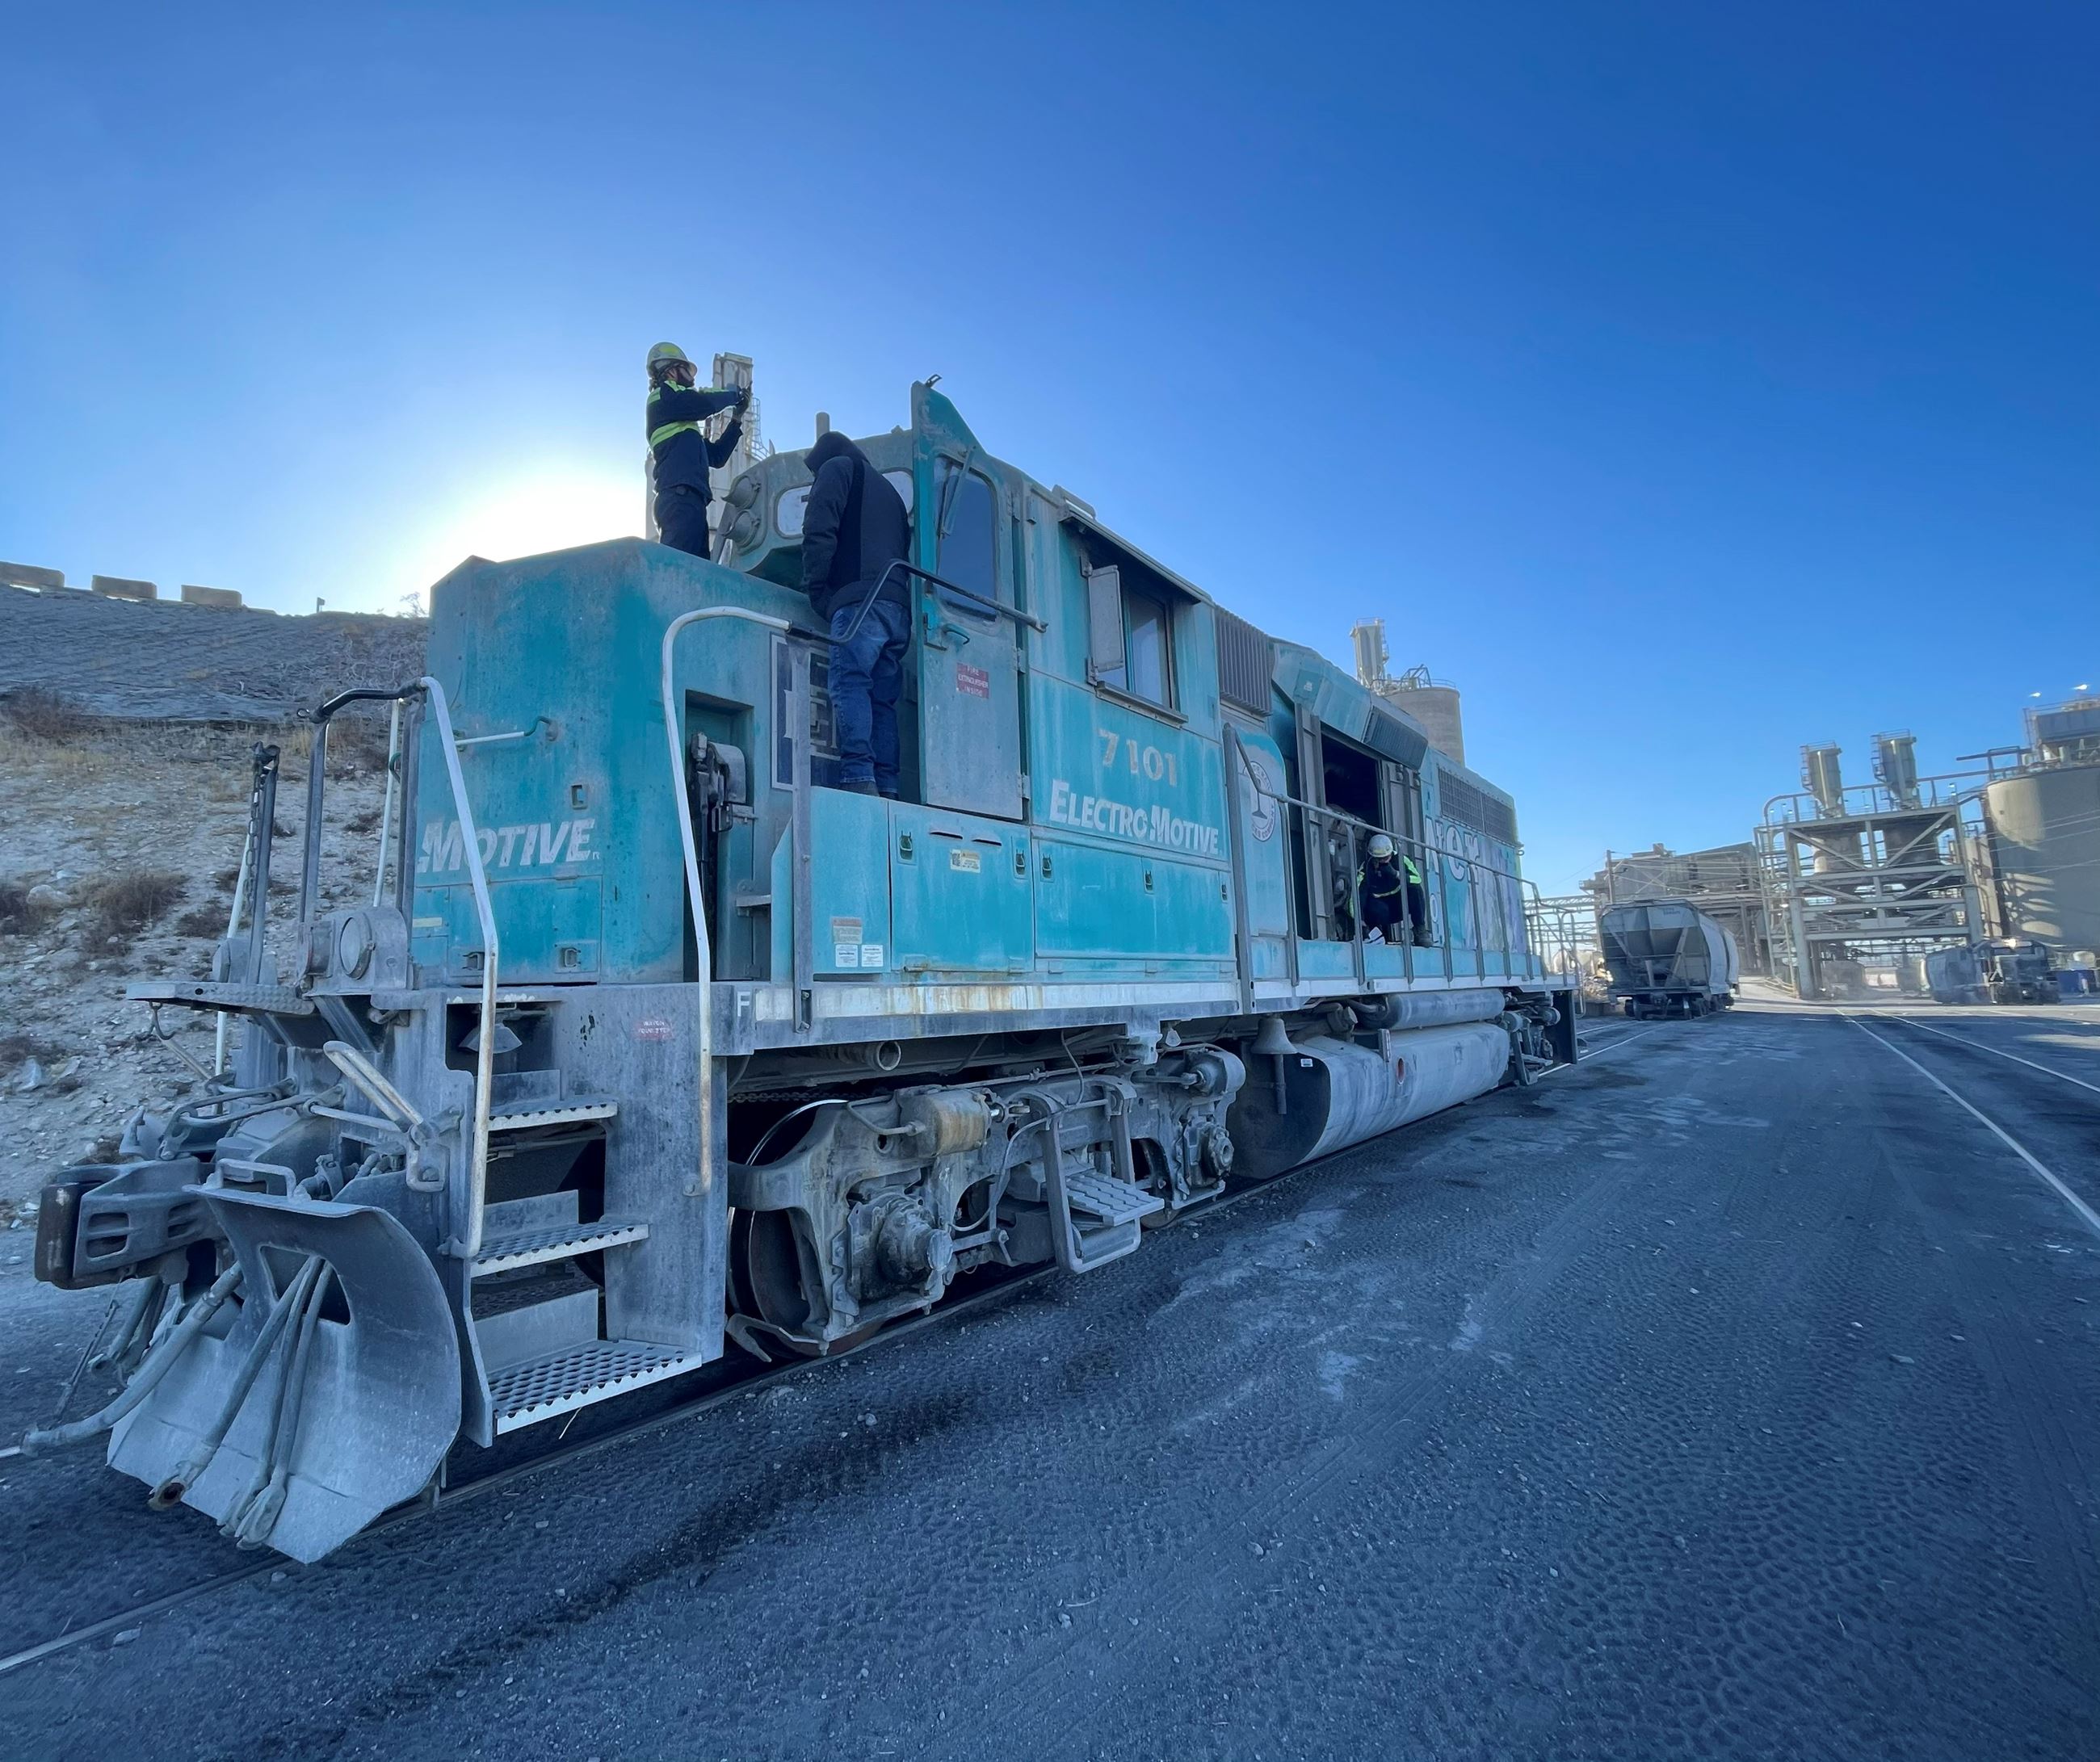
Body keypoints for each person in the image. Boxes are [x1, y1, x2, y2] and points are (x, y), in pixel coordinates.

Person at [800, 430, 911, 797]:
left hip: (860, 602)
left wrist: (818, 591)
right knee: (882, 698)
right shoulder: (892, 494)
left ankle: (858, 777)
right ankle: (888, 784)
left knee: (849, 682)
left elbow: (819, 529)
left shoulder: (836, 468)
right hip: (897, 607)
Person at [645, 342, 749, 557]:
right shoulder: (663, 396)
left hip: (692, 502)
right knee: (677, 566)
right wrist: (733, 395)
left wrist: (737, 420)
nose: (690, 378)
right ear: (670, 370)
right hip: (678, 497)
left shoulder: (684, 426)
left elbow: (717, 457)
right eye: (685, 370)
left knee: (697, 571)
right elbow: (701, 402)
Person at [1359, 833, 1433, 946]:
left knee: (1415, 890)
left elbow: (1417, 879)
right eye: (1379, 859)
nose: (1383, 862)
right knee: (1369, 904)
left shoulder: (1401, 859)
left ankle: (1420, 930)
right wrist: (1360, 922)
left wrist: (1396, 874)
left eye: (1386, 858)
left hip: (1399, 906)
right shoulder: (1366, 868)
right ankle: (1376, 935)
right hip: (1380, 909)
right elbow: (1356, 896)